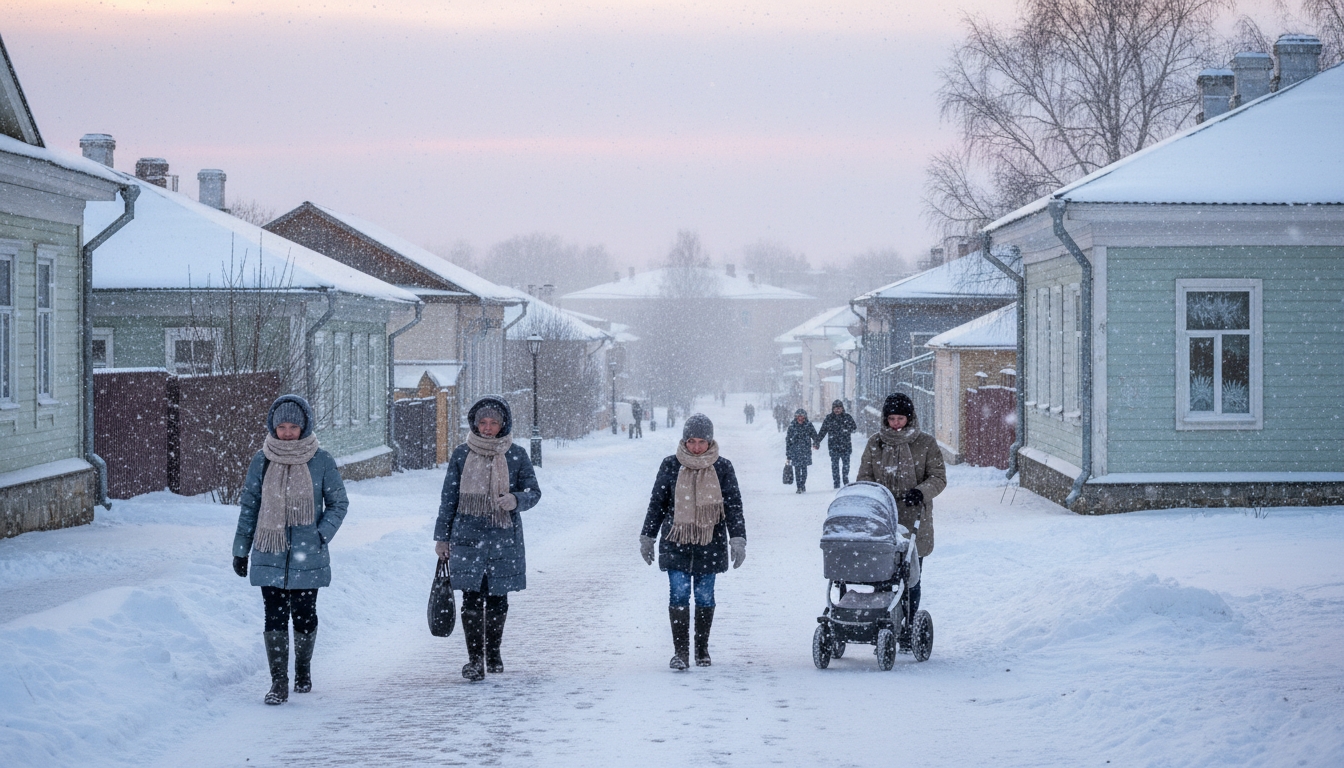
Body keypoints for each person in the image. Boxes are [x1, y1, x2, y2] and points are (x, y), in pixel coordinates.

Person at [233, 394, 348, 705]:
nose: (286, 432)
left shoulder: (320, 460)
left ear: (304, 427)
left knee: (304, 616)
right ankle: (278, 681)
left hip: (307, 555)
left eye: (292, 427)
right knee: (274, 616)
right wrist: (241, 549)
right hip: (269, 552)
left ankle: (303, 669)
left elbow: (339, 503)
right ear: (273, 426)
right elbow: (250, 506)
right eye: (280, 426)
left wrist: (320, 534)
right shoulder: (262, 459)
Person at [434, 396, 542, 681]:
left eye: (493, 423)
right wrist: (442, 538)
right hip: (467, 535)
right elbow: (449, 499)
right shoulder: (461, 454)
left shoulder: (516, 454)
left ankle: (493, 652)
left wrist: (516, 499)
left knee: (497, 597)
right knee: (471, 597)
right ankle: (475, 659)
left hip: (503, 536)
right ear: (474, 423)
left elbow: (534, 492)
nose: (487, 428)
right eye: (482, 422)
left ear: (503, 424)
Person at [639, 414, 746, 670]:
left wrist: (738, 539)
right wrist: (648, 536)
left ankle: (701, 649)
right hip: (676, 541)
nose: (696, 447)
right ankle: (680, 652)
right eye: (691, 441)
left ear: (710, 442)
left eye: (702, 442)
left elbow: (733, 506)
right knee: (679, 594)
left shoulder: (723, 467)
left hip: (710, 541)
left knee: (704, 596)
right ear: (684, 441)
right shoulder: (670, 465)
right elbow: (657, 503)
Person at [855, 392, 946, 650]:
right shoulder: (875, 443)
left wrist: (922, 491)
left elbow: (938, 477)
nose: (896, 424)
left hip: (914, 519)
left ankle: (907, 627)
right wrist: (871, 498)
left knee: (910, 578)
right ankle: (882, 625)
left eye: (901, 418)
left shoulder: (925, 444)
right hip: (882, 520)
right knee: (881, 577)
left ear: (910, 417)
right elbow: (864, 478)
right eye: (892, 419)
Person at [815, 400, 858, 488]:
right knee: (835, 465)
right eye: (835, 408)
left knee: (846, 465)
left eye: (839, 408)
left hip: (845, 446)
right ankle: (836, 482)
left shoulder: (847, 417)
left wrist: (846, 429)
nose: (837, 410)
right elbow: (823, 431)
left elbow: (854, 427)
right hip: (833, 446)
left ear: (842, 408)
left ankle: (845, 481)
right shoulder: (829, 418)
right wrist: (817, 441)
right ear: (833, 409)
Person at [785, 408, 819, 493]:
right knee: (797, 470)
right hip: (795, 451)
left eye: (802, 417)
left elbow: (815, 436)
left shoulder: (808, 425)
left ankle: (803, 484)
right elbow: (788, 440)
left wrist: (816, 443)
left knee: (804, 469)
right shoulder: (792, 426)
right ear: (796, 417)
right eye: (798, 417)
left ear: (805, 417)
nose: (800, 419)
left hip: (805, 451)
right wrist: (788, 454)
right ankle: (799, 487)